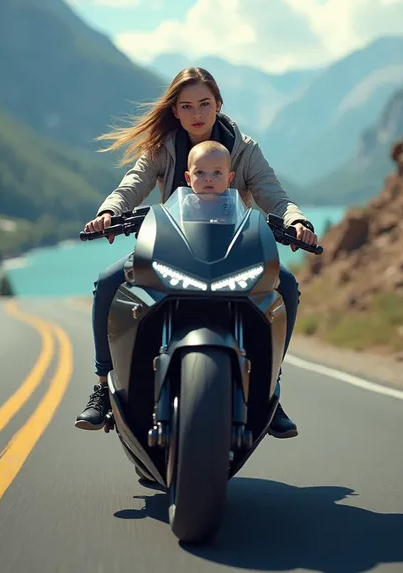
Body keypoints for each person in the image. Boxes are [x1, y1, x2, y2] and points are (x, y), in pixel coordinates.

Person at [74, 67, 318, 438]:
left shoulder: (244, 150)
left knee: (285, 285)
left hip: (235, 250)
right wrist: (109, 212)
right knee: (107, 282)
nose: (197, 113)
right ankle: (102, 387)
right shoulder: (163, 147)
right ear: (175, 111)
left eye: (205, 103)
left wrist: (297, 221)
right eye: (187, 106)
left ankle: (269, 388)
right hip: (169, 249)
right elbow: (133, 183)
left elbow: (273, 194)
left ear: (218, 104)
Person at [181, 140, 236, 223]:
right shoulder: (188, 203)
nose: (208, 179)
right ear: (188, 178)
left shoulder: (231, 204)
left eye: (217, 173)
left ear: (229, 179)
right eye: (200, 172)